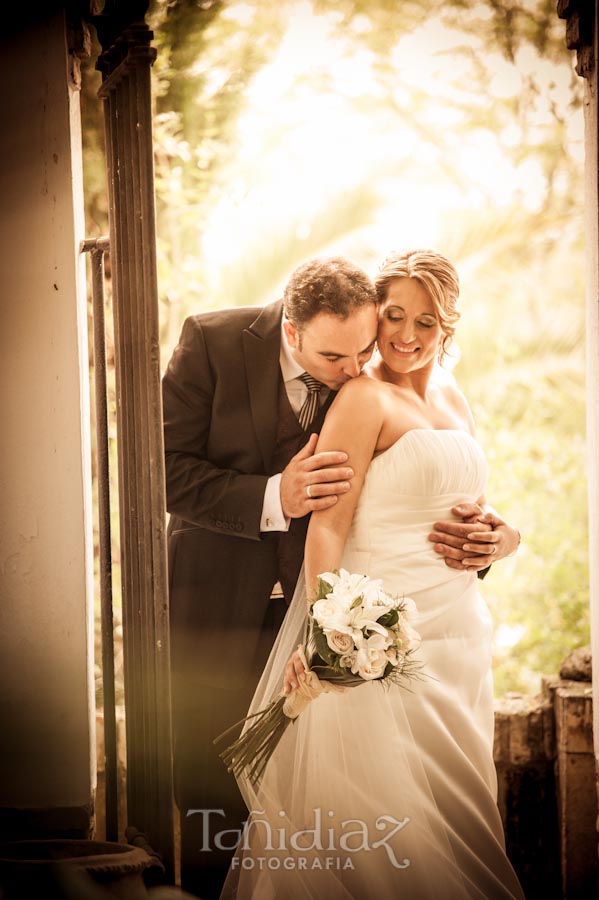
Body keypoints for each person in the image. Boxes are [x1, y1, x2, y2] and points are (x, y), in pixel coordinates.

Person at [162, 255, 519, 899]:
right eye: (395, 317)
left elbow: (458, 506)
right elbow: (166, 470)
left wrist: (503, 537)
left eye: (426, 321)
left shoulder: (432, 388)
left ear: (449, 326)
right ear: (294, 335)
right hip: (287, 609)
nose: (384, 348)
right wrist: (328, 616)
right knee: (240, 803)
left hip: (452, 627)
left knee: (446, 801)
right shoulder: (246, 354)